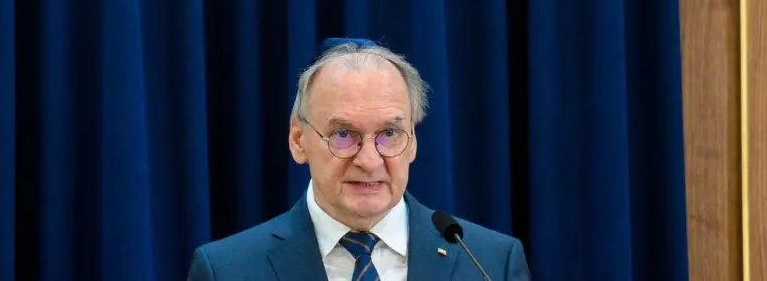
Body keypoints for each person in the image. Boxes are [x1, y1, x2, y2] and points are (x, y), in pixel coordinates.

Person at [187, 38, 532, 280]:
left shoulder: (490, 264)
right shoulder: (227, 270)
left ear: (412, 141)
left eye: (389, 134)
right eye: (343, 135)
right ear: (298, 140)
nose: (369, 161)